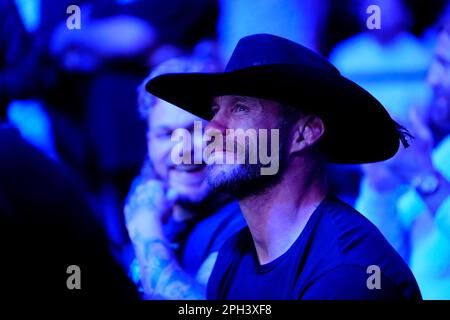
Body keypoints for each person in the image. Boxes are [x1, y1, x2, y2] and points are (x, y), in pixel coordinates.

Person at [146, 33, 422, 300]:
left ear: (304, 133)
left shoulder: (348, 274)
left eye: (240, 108)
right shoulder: (236, 253)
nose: (211, 130)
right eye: (215, 110)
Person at [124, 57, 246, 299]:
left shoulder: (247, 226)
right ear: (149, 142)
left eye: (198, 130)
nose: (182, 150)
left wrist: (146, 228)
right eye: (166, 134)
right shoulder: (155, 206)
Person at [356, 18, 450, 299]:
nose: (432, 79)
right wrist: (380, 188)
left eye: (446, 65)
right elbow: (377, 266)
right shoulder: (444, 152)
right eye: (435, 62)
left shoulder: (431, 167)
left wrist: (423, 177)